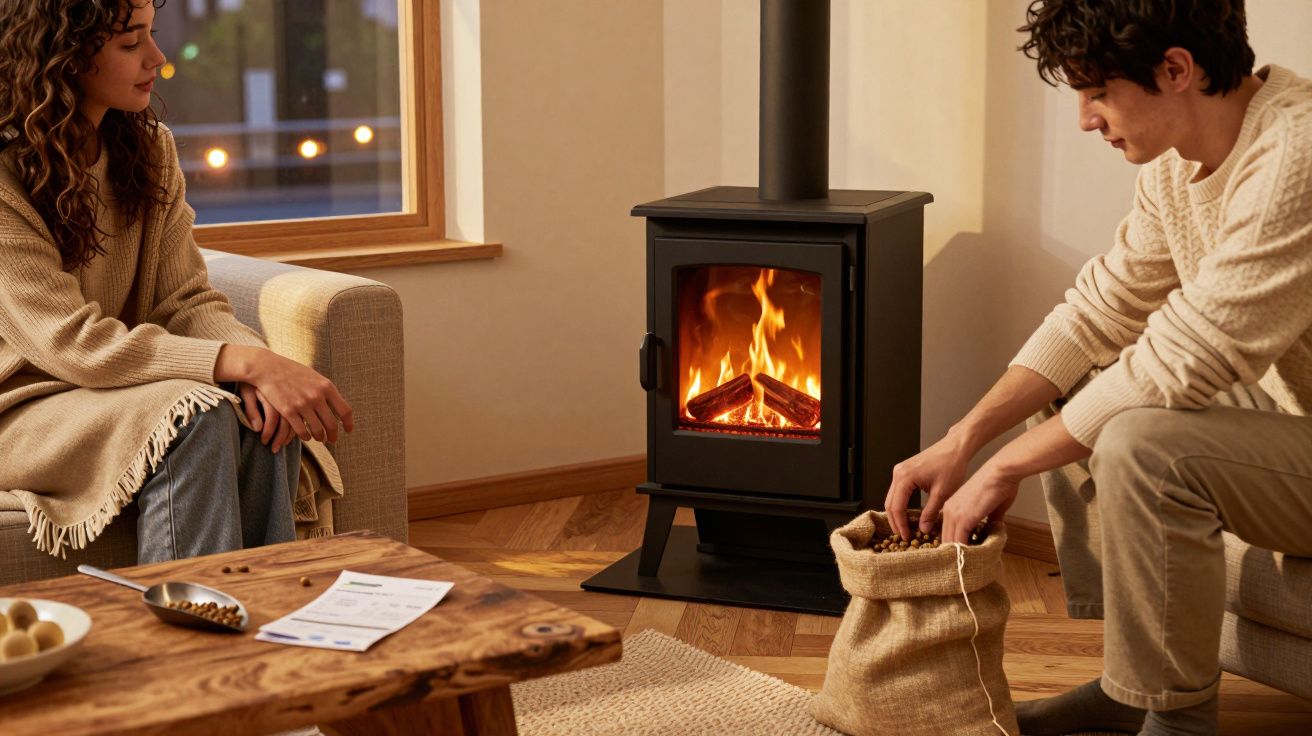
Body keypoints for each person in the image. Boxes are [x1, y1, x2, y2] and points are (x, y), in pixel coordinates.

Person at [882, 1, 1312, 734]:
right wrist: (965, 438)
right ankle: (1132, 685)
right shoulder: (1180, 169)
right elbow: (1097, 313)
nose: (1085, 119)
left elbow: (1189, 355)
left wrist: (1004, 469)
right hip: (1291, 415)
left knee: (1144, 441)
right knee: (1088, 380)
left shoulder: (1296, 153)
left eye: (1096, 92)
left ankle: (1175, 722)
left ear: (1177, 69)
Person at [0, 0, 353, 564]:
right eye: (130, 42)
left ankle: (265, 612)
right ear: (63, 56)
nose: (158, 58)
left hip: (109, 394)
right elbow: (70, 342)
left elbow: (185, 298)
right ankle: (184, 627)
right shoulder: (4, 174)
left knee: (257, 409)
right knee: (198, 412)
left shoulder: (149, 150)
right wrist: (244, 363)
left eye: (152, 34)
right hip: (20, 408)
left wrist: (260, 370)